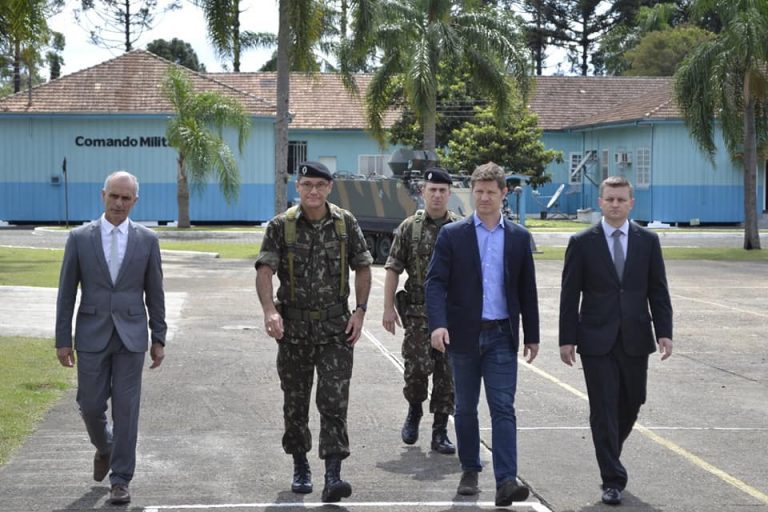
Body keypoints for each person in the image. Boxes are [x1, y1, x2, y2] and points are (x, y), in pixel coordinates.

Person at [255, 161, 373, 503]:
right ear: (298, 186)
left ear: (330, 188)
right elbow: (264, 271)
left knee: (334, 402)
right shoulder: (282, 226)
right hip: (293, 331)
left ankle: (333, 474)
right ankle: (300, 464)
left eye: (320, 185)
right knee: (296, 402)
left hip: (336, 329)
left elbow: (363, 267)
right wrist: (269, 311)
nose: (313, 191)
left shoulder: (345, 223)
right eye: (307, 184)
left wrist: (361, 312)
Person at [425, 162, 539, 507]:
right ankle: (470, 470)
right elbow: (435, 283)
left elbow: (527, 289)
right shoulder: (453, 235)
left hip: (502, 335)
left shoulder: (518, 238)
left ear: (503, 194)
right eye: (479, 191)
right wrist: (438, 324)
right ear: (471, 193)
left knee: (503, 407)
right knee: (466, 408)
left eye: (491, 191)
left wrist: (532, 335)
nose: (484, 197)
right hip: (463, 336)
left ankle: (506, 480)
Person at [559, 175, 673, 506]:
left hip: (636, 336)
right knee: (604, 408)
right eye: (609, 198)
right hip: (596, 340)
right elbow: (570, 296)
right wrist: (567, 339)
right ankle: (612, 478)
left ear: (631, 203)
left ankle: (609, 450)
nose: (615, 204)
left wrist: (664, 331)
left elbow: (658, 290)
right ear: (600, 201)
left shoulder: (648, 241)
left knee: (633, 400)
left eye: (621, 199)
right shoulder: (582, 242)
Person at [55, 171, 166, 505]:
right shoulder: (79, 238)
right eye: (114, 196)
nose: (119, 203)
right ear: (103, 195)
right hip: (91, 333)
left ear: (135, 201)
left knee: (127, 410)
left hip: (131, 337)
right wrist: (63, 338)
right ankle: (105, 446)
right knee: (89, 404)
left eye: (126, 198)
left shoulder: (147, 240)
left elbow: (155, 292)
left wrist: (158, 336)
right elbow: (66, 293)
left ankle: (120, 480)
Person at [382, 167, 461, 454]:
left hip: (451, 316)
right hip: (416, 314)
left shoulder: (461, 229)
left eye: (442, 190)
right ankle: (415, 410)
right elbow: (392, 268)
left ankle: (439, 430)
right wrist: (388, 307)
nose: (437, 195)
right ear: (423, 192)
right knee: (416, 370)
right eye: (432, 190)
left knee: (447, 374)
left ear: (449, 194)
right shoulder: (409, 228)